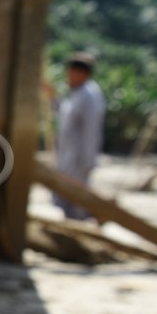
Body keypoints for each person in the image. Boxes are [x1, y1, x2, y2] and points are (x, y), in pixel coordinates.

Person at [51, 52, 105, 220]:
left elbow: (91, 131)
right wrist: (53, 98)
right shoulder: (78, 93)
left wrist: (87, 161)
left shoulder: (90, 95)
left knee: (76, 201)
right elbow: (65, 113)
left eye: (71, 72)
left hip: (79, 158)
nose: (68, 76)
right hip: (68, 156)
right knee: (66, 197)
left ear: (81, 73)